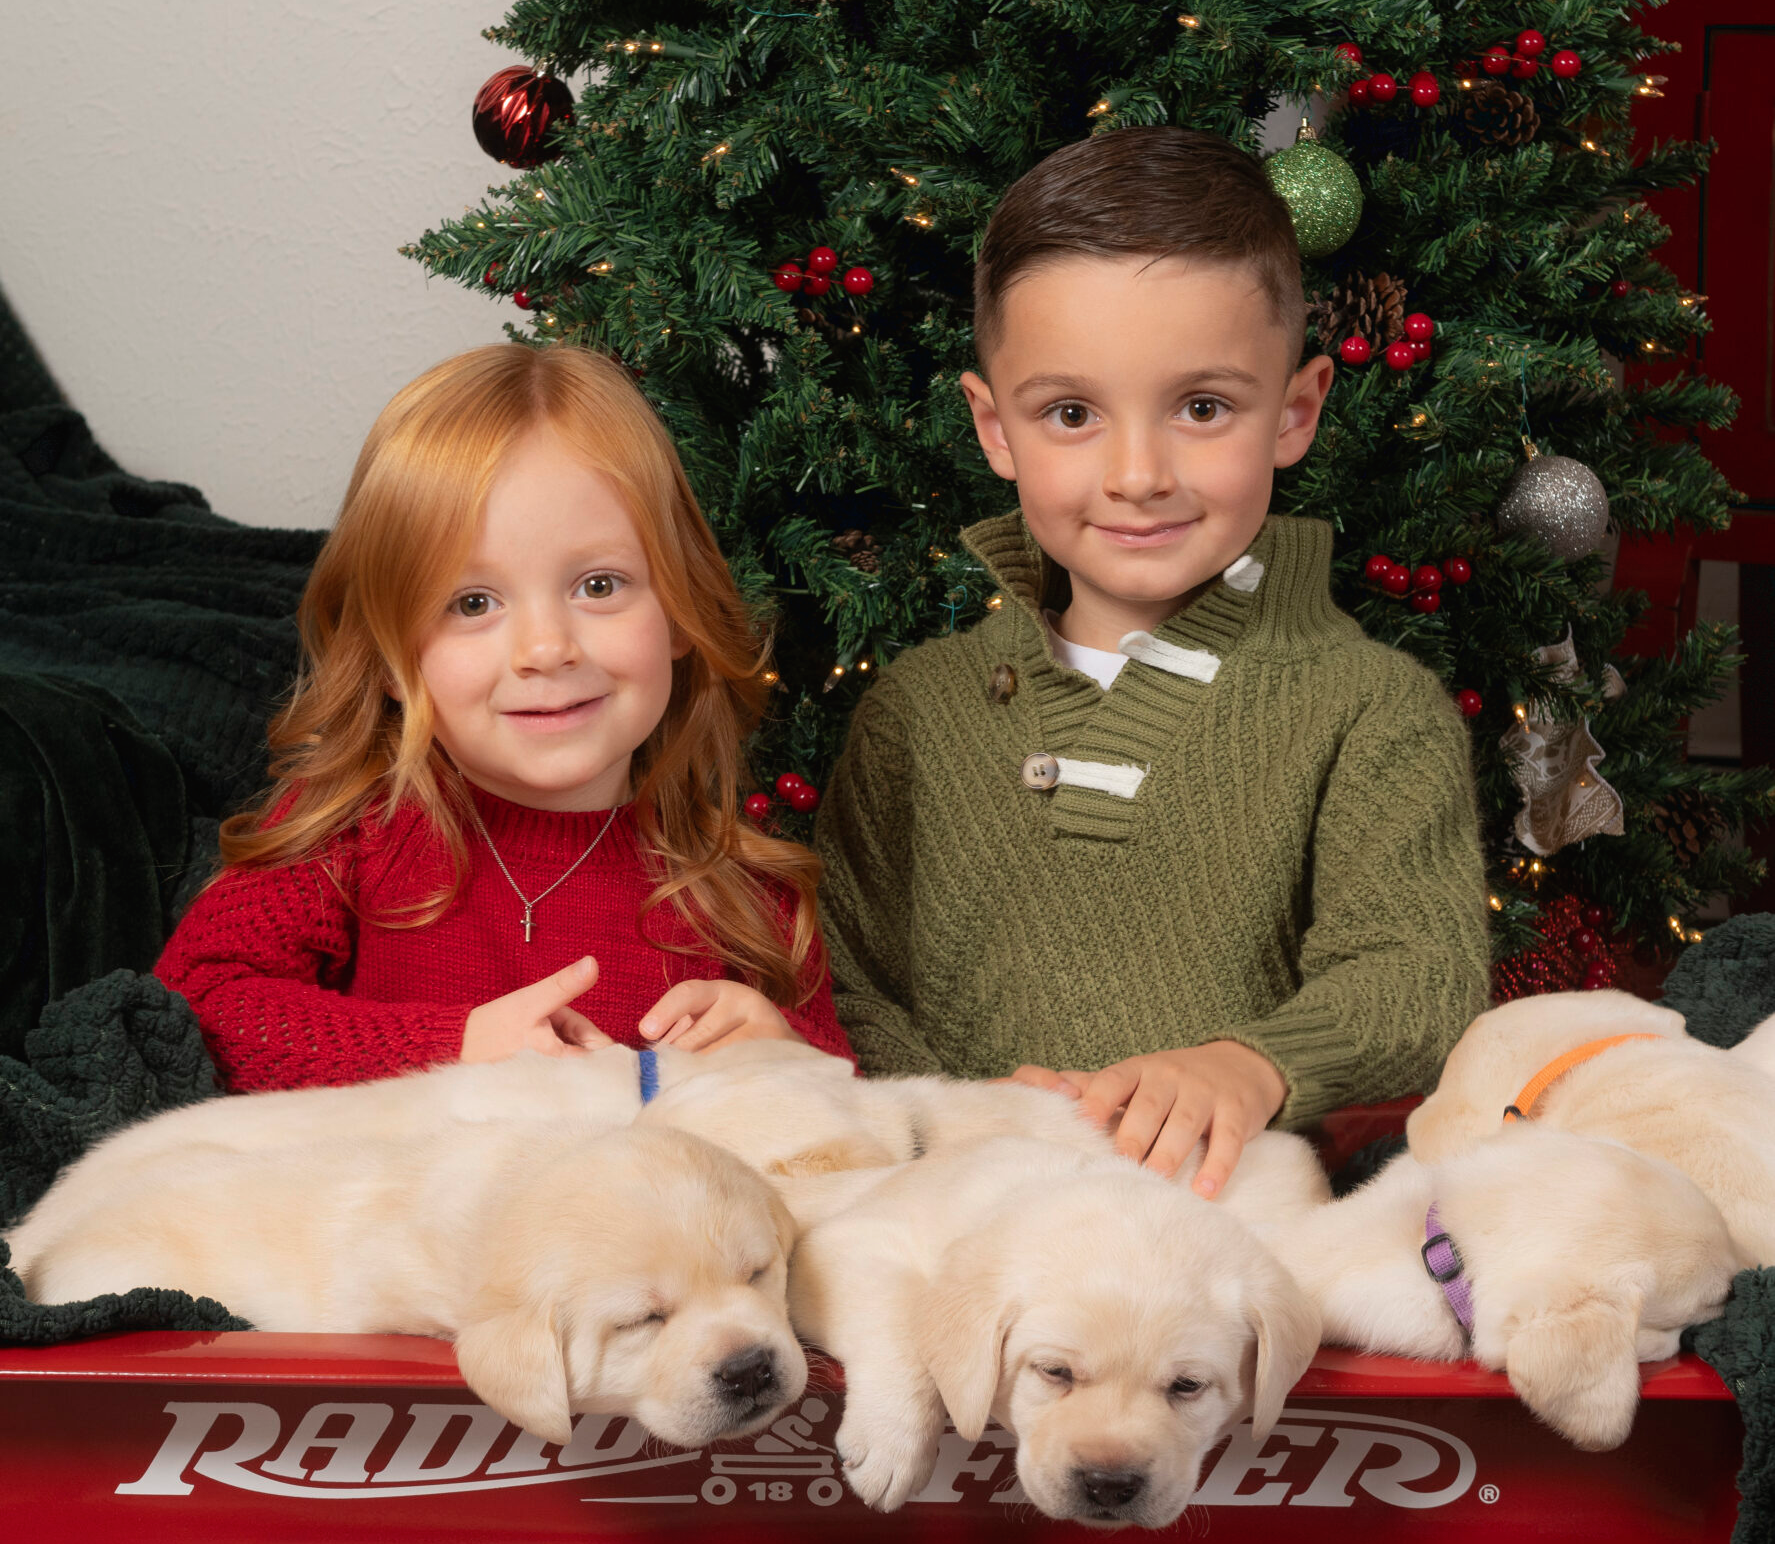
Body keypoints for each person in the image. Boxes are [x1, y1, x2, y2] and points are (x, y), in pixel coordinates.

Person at [815, 127, 1490, 1198]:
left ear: (1295, 411)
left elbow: (1416, 978)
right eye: (1071, 414)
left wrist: (1250, 1065)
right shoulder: (915, 709)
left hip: (1234, 1239)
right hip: (958, 1220)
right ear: (994, 428)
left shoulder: (1370, 709)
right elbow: (842, 977)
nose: (1137, 474)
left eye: (1201, 408)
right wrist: (961, 1116)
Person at [158, 344, 850, 1090]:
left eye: (598, 584)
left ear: (680, 610)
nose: (546, 649)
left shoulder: (746, 895)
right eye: (473, 603)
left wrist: (780, 1050)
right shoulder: (352, 831)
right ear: (389, 658)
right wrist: (452, 1046)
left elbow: (848, 1103)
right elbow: (197, 1004)